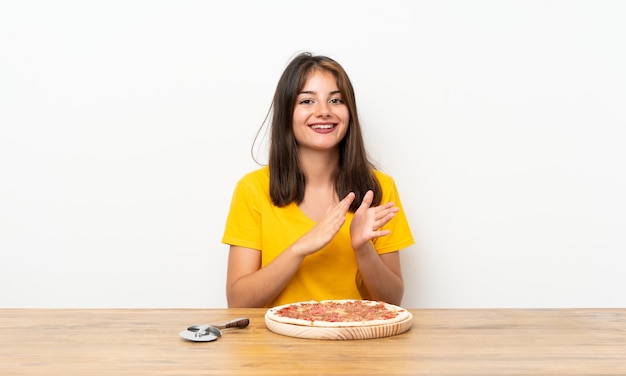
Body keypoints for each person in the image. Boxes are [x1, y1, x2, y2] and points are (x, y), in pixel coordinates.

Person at [222, 52, 414, 308]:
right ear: (287, 113)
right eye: (307, 101)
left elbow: (392, 301)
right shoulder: (253, 189)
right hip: (275, 345)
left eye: (336, 100)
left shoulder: (379, 189)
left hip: (353, 341)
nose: (324, 111)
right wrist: (301, 247)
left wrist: (363, 249)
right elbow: (238, 302)